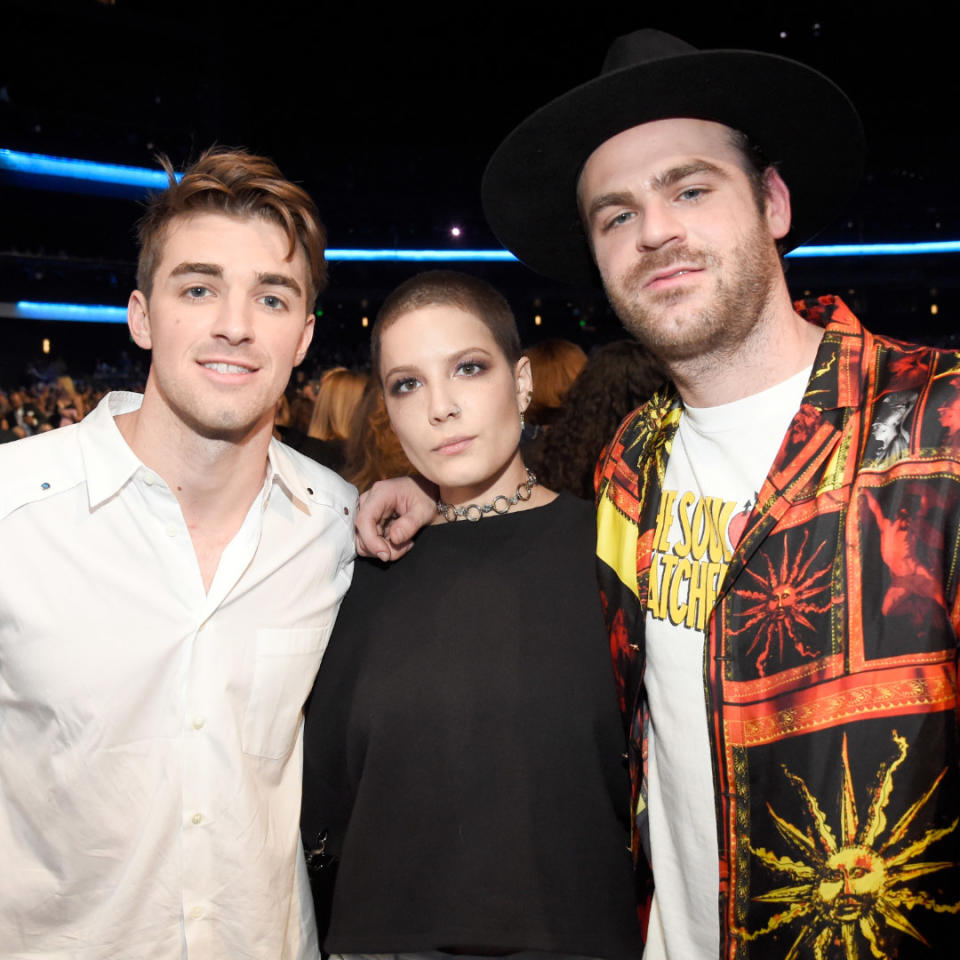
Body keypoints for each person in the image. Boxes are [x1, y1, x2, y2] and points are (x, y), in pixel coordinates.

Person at [358, 29, 960, 959]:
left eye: (689, 189)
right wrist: (432, 500)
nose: (655, 233)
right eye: (615, 215)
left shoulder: (941, 432)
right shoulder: (630, 463)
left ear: (772, 201)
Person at [0, 147, 356, 959]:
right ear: (141, 315)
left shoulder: (339, 526)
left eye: (271, 297)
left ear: (302, 336)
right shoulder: (12, 513)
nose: (234, 324)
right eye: (198, 289)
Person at [302, 270, 643, 959]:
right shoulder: (360, 565)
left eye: (468, 368)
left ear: (520, 382)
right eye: (408, 384)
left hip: (578, 935)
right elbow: (324, 793)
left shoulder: (615, 552)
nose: (441, 408)